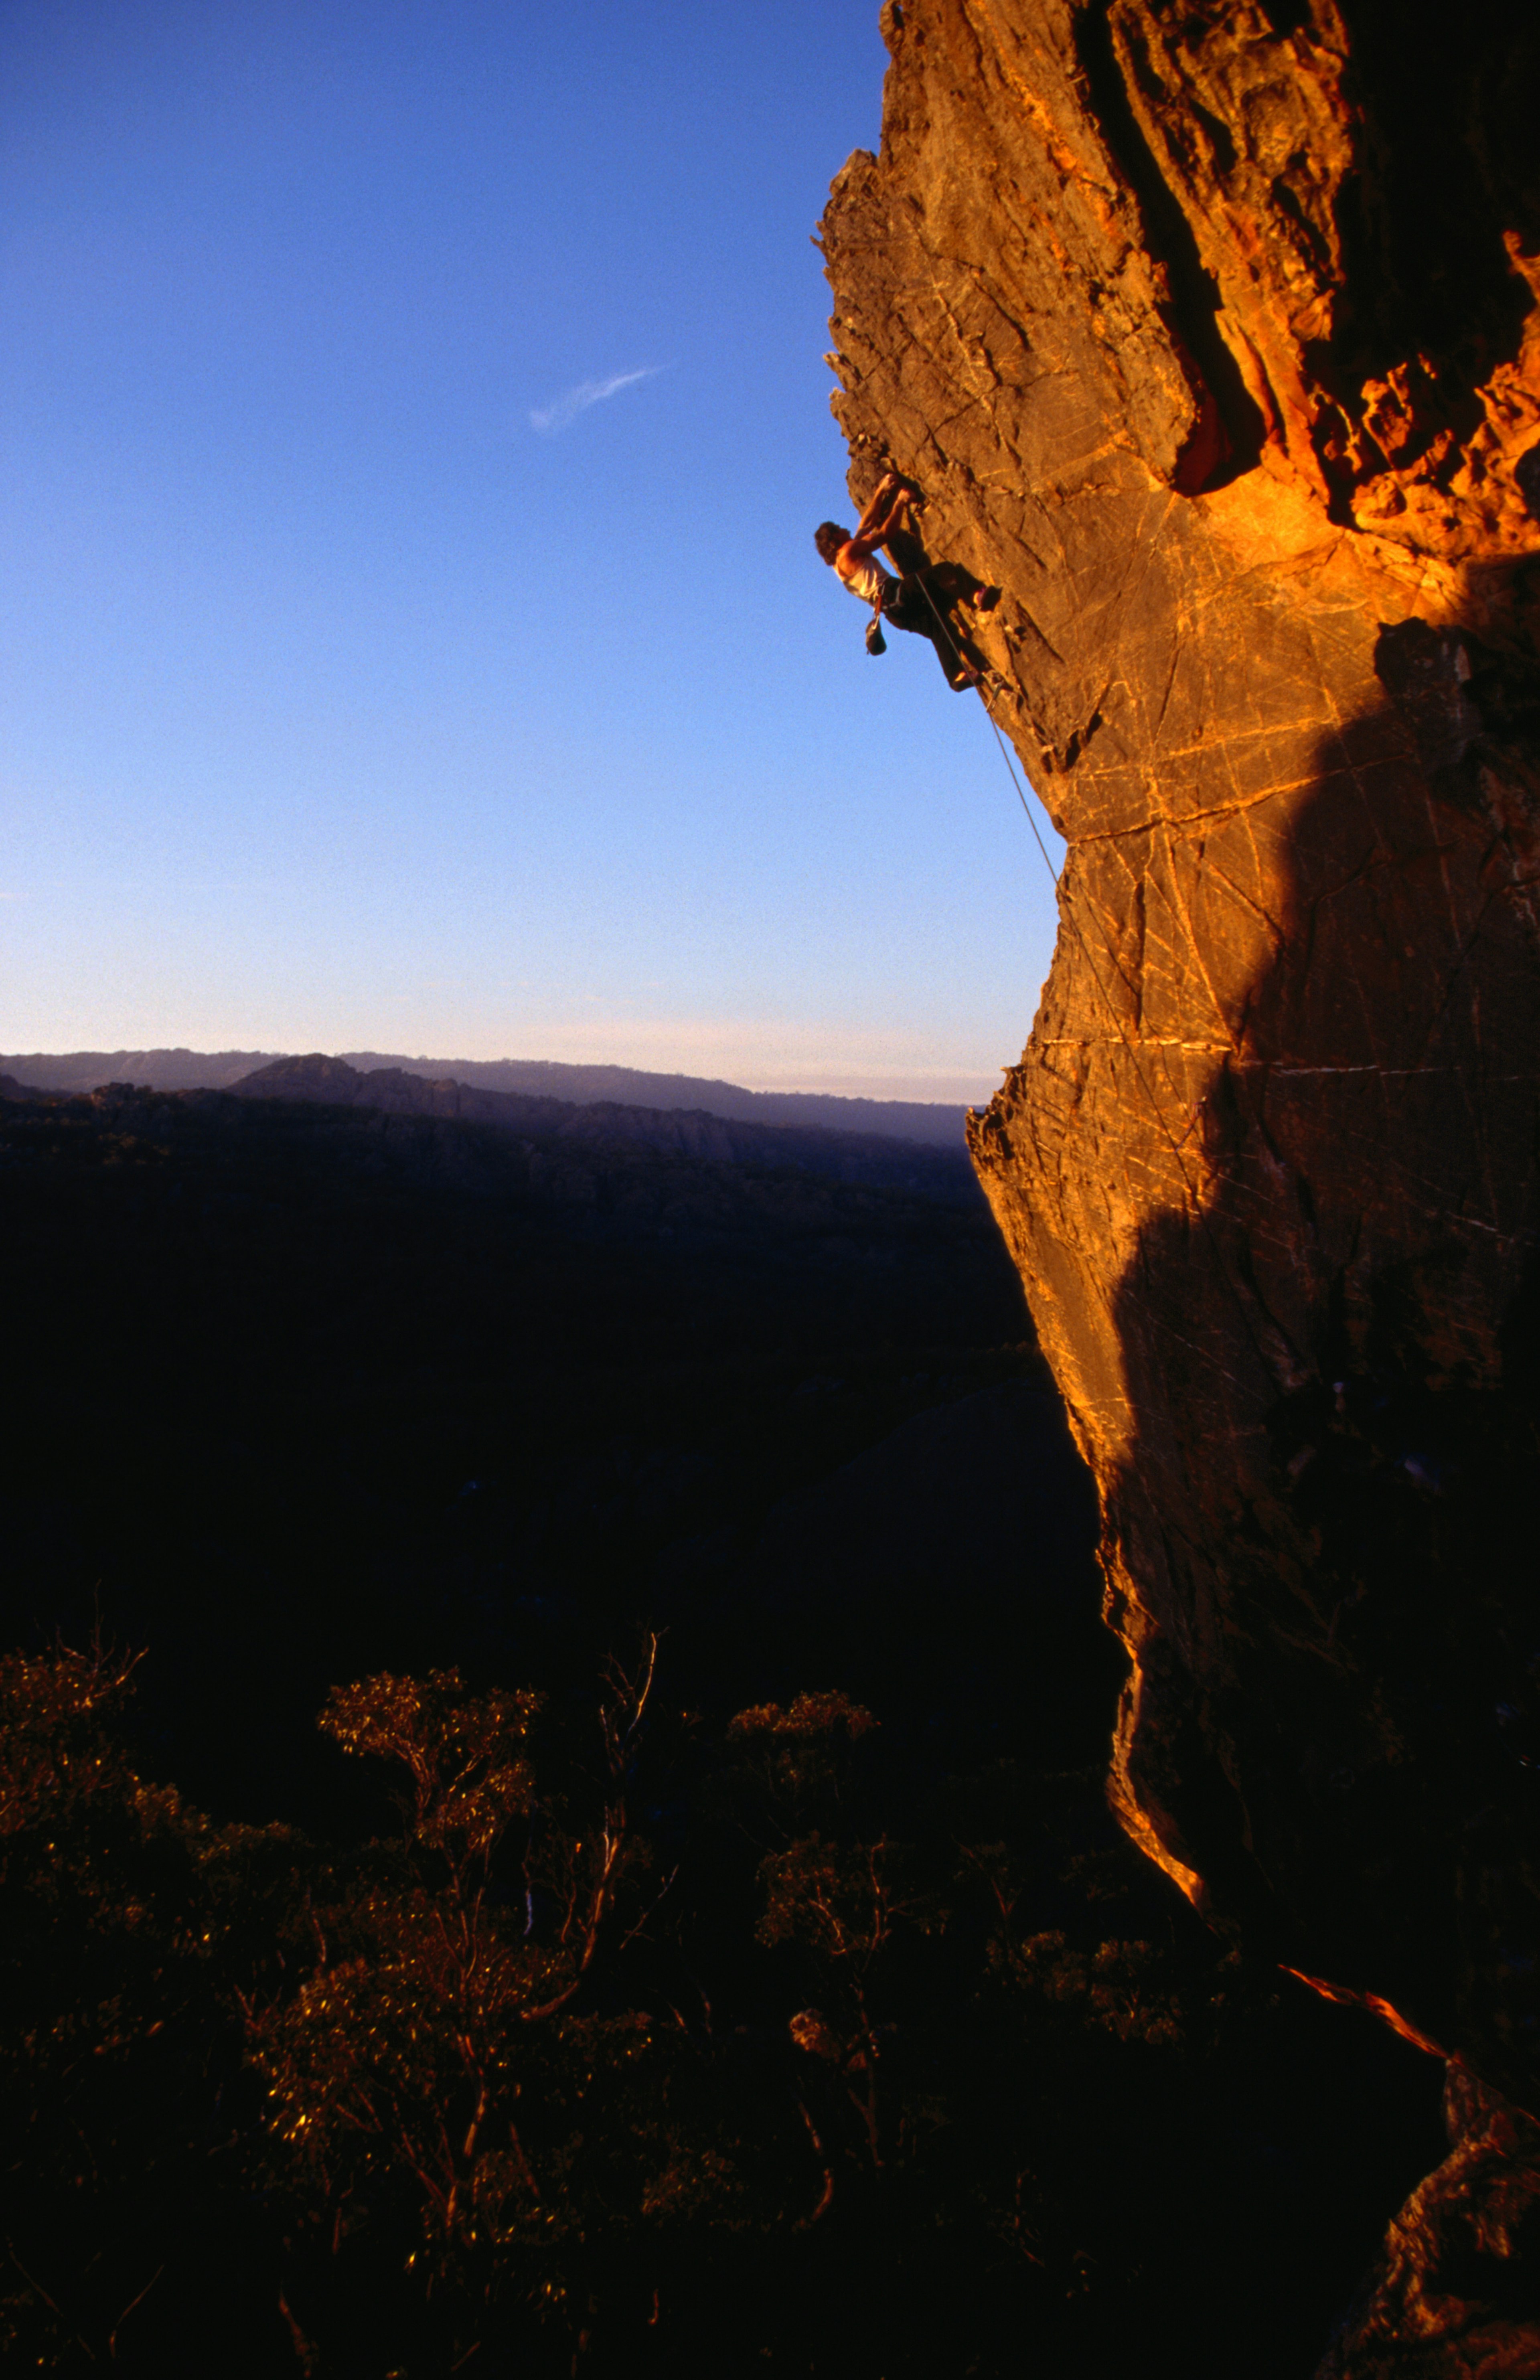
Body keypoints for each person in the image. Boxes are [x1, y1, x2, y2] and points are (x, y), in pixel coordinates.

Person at [814, 472, 1001, 690]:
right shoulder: (848, 550)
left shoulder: (842, 564)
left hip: (894, 613)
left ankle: (956, 676)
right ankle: (975, 595)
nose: (846, 528)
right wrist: (900, 504)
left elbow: (866, 524)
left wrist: (881, 491)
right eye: (840, 528)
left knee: (938, 627)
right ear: (836, 537)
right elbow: (884, 535)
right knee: (943, 572)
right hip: (895, 594)